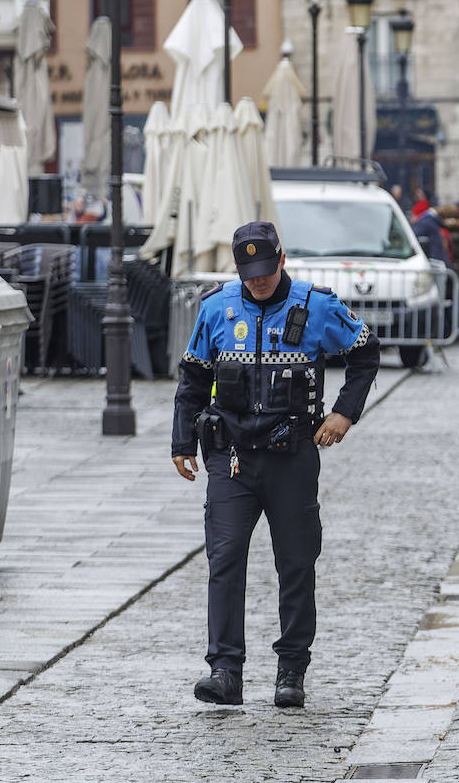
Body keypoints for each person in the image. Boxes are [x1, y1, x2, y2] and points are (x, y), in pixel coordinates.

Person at [171, 221, 381, 708]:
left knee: (296, 562)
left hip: (291, 456)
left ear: (281, 261)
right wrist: (182, 441)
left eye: (265, 270)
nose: (258, 281)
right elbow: (193, 379)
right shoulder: (216, 308)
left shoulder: (318, 306)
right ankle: (224, 671)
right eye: (249, 272)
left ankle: (291, 670)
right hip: (232, 457)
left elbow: (364, 354)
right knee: (223, 561)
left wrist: (344, 414)